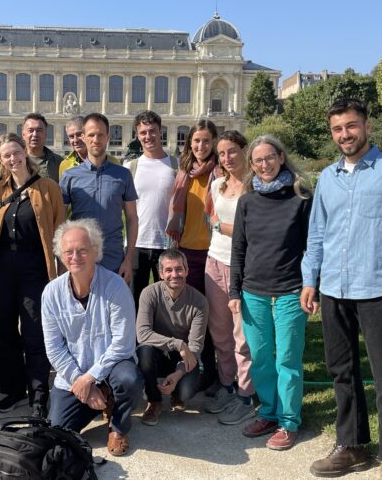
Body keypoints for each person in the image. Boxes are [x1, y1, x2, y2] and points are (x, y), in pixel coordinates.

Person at [301, 98, 381, 477]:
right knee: (342, 371)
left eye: (351, 126)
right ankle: (352, 446)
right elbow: (317, 233)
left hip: (375, 286)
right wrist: (310, 279)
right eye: (337, 129)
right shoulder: (329, 178)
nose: (344, 135)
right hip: (334, 286)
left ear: (366, 125)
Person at [229, 134, 312, 451]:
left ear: (281, 157)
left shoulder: (301, 198)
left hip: (291, 291)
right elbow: (239, 250)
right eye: (258, 160)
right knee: (261, 358)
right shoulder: (247, 201)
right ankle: (268, 411)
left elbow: (311, 247)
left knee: (288, 360)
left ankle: (289, 422)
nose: (264, 165)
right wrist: (234, 290)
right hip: (253, 293)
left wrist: (310, 286)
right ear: (252, 165)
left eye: (269, 158)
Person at [42, 219, 143, 456]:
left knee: (129, 380)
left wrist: (90, 379)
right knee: (57, 431)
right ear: (60, 254)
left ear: (96, 251)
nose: (75, 256)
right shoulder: (51, 293)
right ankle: (100, 400)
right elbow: (54, 348)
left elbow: (123, 343)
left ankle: (119, 426)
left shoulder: (116, 286)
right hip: (73, 375)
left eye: (82, 250)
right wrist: (82, 384)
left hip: (113, 367)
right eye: (68, 251)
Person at [0, 133, 64, 417]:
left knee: (34, 331)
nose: (13, 159)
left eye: (16, 152)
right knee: (3, 330)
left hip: (34, 268)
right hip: (1, 267)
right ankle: (13, 390)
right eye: (6, 155)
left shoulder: (48, 187)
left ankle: (39, 394)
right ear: (1, 161)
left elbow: (59, 227)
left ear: (25, 153)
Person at [203, 131, 255, 425]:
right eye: (222, 154)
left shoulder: (254, 186)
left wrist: (223, 227)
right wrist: (219, 227)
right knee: (220, 331)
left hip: (242, 266)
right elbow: (211, 219)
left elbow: (253, 231)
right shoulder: (217, 184)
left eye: (232, 151)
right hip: (215, 261)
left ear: (244, 150)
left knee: (242, 335)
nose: (226, 158)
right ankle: (227, 384)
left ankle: (246, 395)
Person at [167, 119, 220, 393]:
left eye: (207, 141)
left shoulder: (220, 172)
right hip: (187, 253)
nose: (201, 146)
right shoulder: (184, 173)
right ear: (190, 143)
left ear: (214, 143)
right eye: (196, 141)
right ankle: (193, 370)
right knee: (193, 316)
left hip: (213, 253)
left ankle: (214, 374)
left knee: (213, 317)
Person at [60, 113, 138, 283]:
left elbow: (132, 218)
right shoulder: (69, 176)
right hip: (80, 258)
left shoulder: (123, 175)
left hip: (114, 259)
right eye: (91, 135)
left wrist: (128, 259)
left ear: (108, 137)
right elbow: (60, 221)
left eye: (101, 134)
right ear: (83, 137)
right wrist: (61, 261)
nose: (96, 139)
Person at [136, 249, 208, 426]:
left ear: (187, 271)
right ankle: (154, 401)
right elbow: (142, 333)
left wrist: (177, 375)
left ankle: (176, 390)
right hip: (159, 352)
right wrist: (178, 344)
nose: (174, 274)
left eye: (179, 269)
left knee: (185, 393)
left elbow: (195, 348)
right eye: (168, 270)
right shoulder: (149, 293)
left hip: (184, 358)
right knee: (144, 351)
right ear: (160, 273)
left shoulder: (199, 302)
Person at [124, 110, 177, 309]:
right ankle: (137, 340)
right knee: (135, 301)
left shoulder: (175, 165)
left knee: (167, 302)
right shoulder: (130, 167)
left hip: (166, 244)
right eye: (143, 132)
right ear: (137, 135)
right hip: (137, 244)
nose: (148, 136)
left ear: (160, 131)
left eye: (152, 131)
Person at [21, 113, 63, 182]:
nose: (35, 134)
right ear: (23, 134)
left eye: (39, 130)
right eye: (30, 130)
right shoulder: (15, 160)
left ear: (45, 134)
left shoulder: (58, 162)